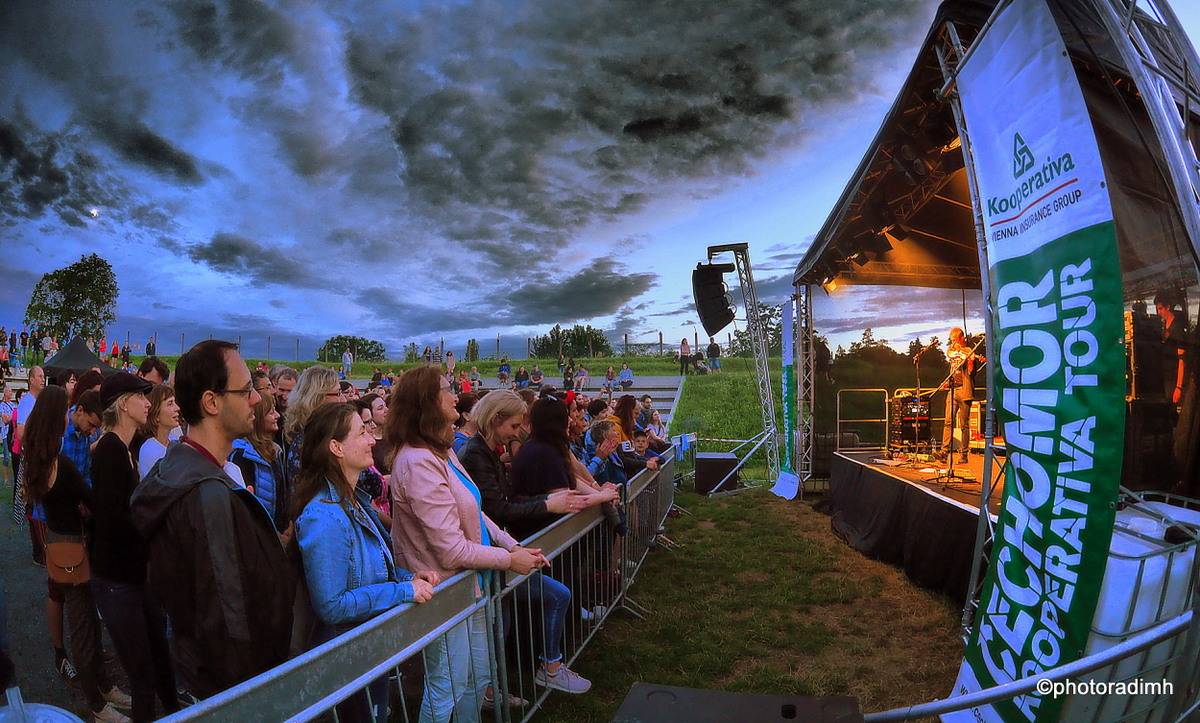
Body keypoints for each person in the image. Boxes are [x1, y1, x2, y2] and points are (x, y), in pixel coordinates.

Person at [130, 340, 293, 699]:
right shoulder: (209, 495)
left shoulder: (182, 467)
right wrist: (255, 695)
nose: (255, 399)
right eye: (247, 389)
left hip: (203, 674)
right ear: (212, 402)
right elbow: (228, 622)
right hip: (235, 689)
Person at [387, 366, 542, 721]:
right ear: (428, 402)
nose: (456, 393)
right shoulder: (418, 462)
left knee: (478, 676)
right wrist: (508, 560)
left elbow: (474, 508)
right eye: (446, 389)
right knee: (448, 688)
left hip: (468, 588)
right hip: (444, 594)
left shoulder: (441, 451)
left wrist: (510, 544)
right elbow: (451, 549)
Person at [292, 403, 436, 723]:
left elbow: (370, 569)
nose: (372, 439)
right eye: (362, 432)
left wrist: (409, 578)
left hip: (365, 650)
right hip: (345, 661)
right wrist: (403, 592)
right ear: (336, 447)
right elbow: (332, 605)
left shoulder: (352, 501)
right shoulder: (323, 516)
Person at [456, 391, 594, 694]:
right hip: (491, 556)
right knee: (548, 600)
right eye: (514, 426)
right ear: (495, 420)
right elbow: (496, 510)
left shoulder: (487, 451)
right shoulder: (477, 455)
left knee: (503, 624)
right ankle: (531, 674)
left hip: (500, 552)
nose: (518, 433)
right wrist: (547, 504)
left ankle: (491, 689)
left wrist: (547, 500)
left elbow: (503, 503)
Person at [21, 386, 133, 723]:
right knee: (84, 626)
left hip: (57, 540)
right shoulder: (63, 464)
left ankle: (102, 686)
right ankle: (96, 705)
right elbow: (93, 502)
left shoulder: (38, 459)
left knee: (83, 621)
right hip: (73, 544)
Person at [90, 373, 179, 721]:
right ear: (124, 404)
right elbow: (114, 520)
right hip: (117, 581)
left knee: (157, 653)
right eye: (142, 398)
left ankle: (174, 710)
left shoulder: (121, 449)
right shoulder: (111, 450)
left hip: (132, 576)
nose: (148, 403)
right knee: (142, 673)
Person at [230, 391, 289, 533]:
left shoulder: (275, 451)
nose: (277, 416)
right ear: (257, 418)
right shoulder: (241, 456)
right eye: (271, 412)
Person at [284, 365, 344, 484]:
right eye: (337, 393)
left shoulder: (316, 435)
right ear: (318, 398)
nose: (343, 399)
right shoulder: (311, 443)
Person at [14, 365, 45, 563]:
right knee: (32, 503)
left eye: (43, 376)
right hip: (33, 459)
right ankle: (38, 552)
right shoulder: (27, 402)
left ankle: (40, 550)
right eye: (39, 376)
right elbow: (21, 433)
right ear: (31, 379)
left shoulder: (38, 401)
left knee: (36, 502)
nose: (43, 379)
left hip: (38, 457)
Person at [939, 327, 983, 464]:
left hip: (965, 390)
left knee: (964, 425)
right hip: (952, 390)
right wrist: (947, 382)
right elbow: (952, 363)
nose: (952, 343)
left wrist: (971, 361)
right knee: (948, 421)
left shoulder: (969, 351)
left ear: (960, 338)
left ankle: (964, 455)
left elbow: (970, 373)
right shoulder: (953, 351)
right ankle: (943, 452)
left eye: (954, 340)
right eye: (951, 341)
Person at [133, 385, 179, 480]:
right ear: (156, 414)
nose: (177, 408)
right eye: (170, 403)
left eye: (175, 402)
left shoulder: (175, 439)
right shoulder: (149, 449)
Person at [1157, 290, 1189, 406]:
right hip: (1166, 377)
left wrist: (1178, 387)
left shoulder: (1177, 328)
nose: (1158, 312)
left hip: (1175, 379)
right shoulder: (1163, 326)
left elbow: (1182, 360)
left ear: (1168, 307)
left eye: (1160, 309)